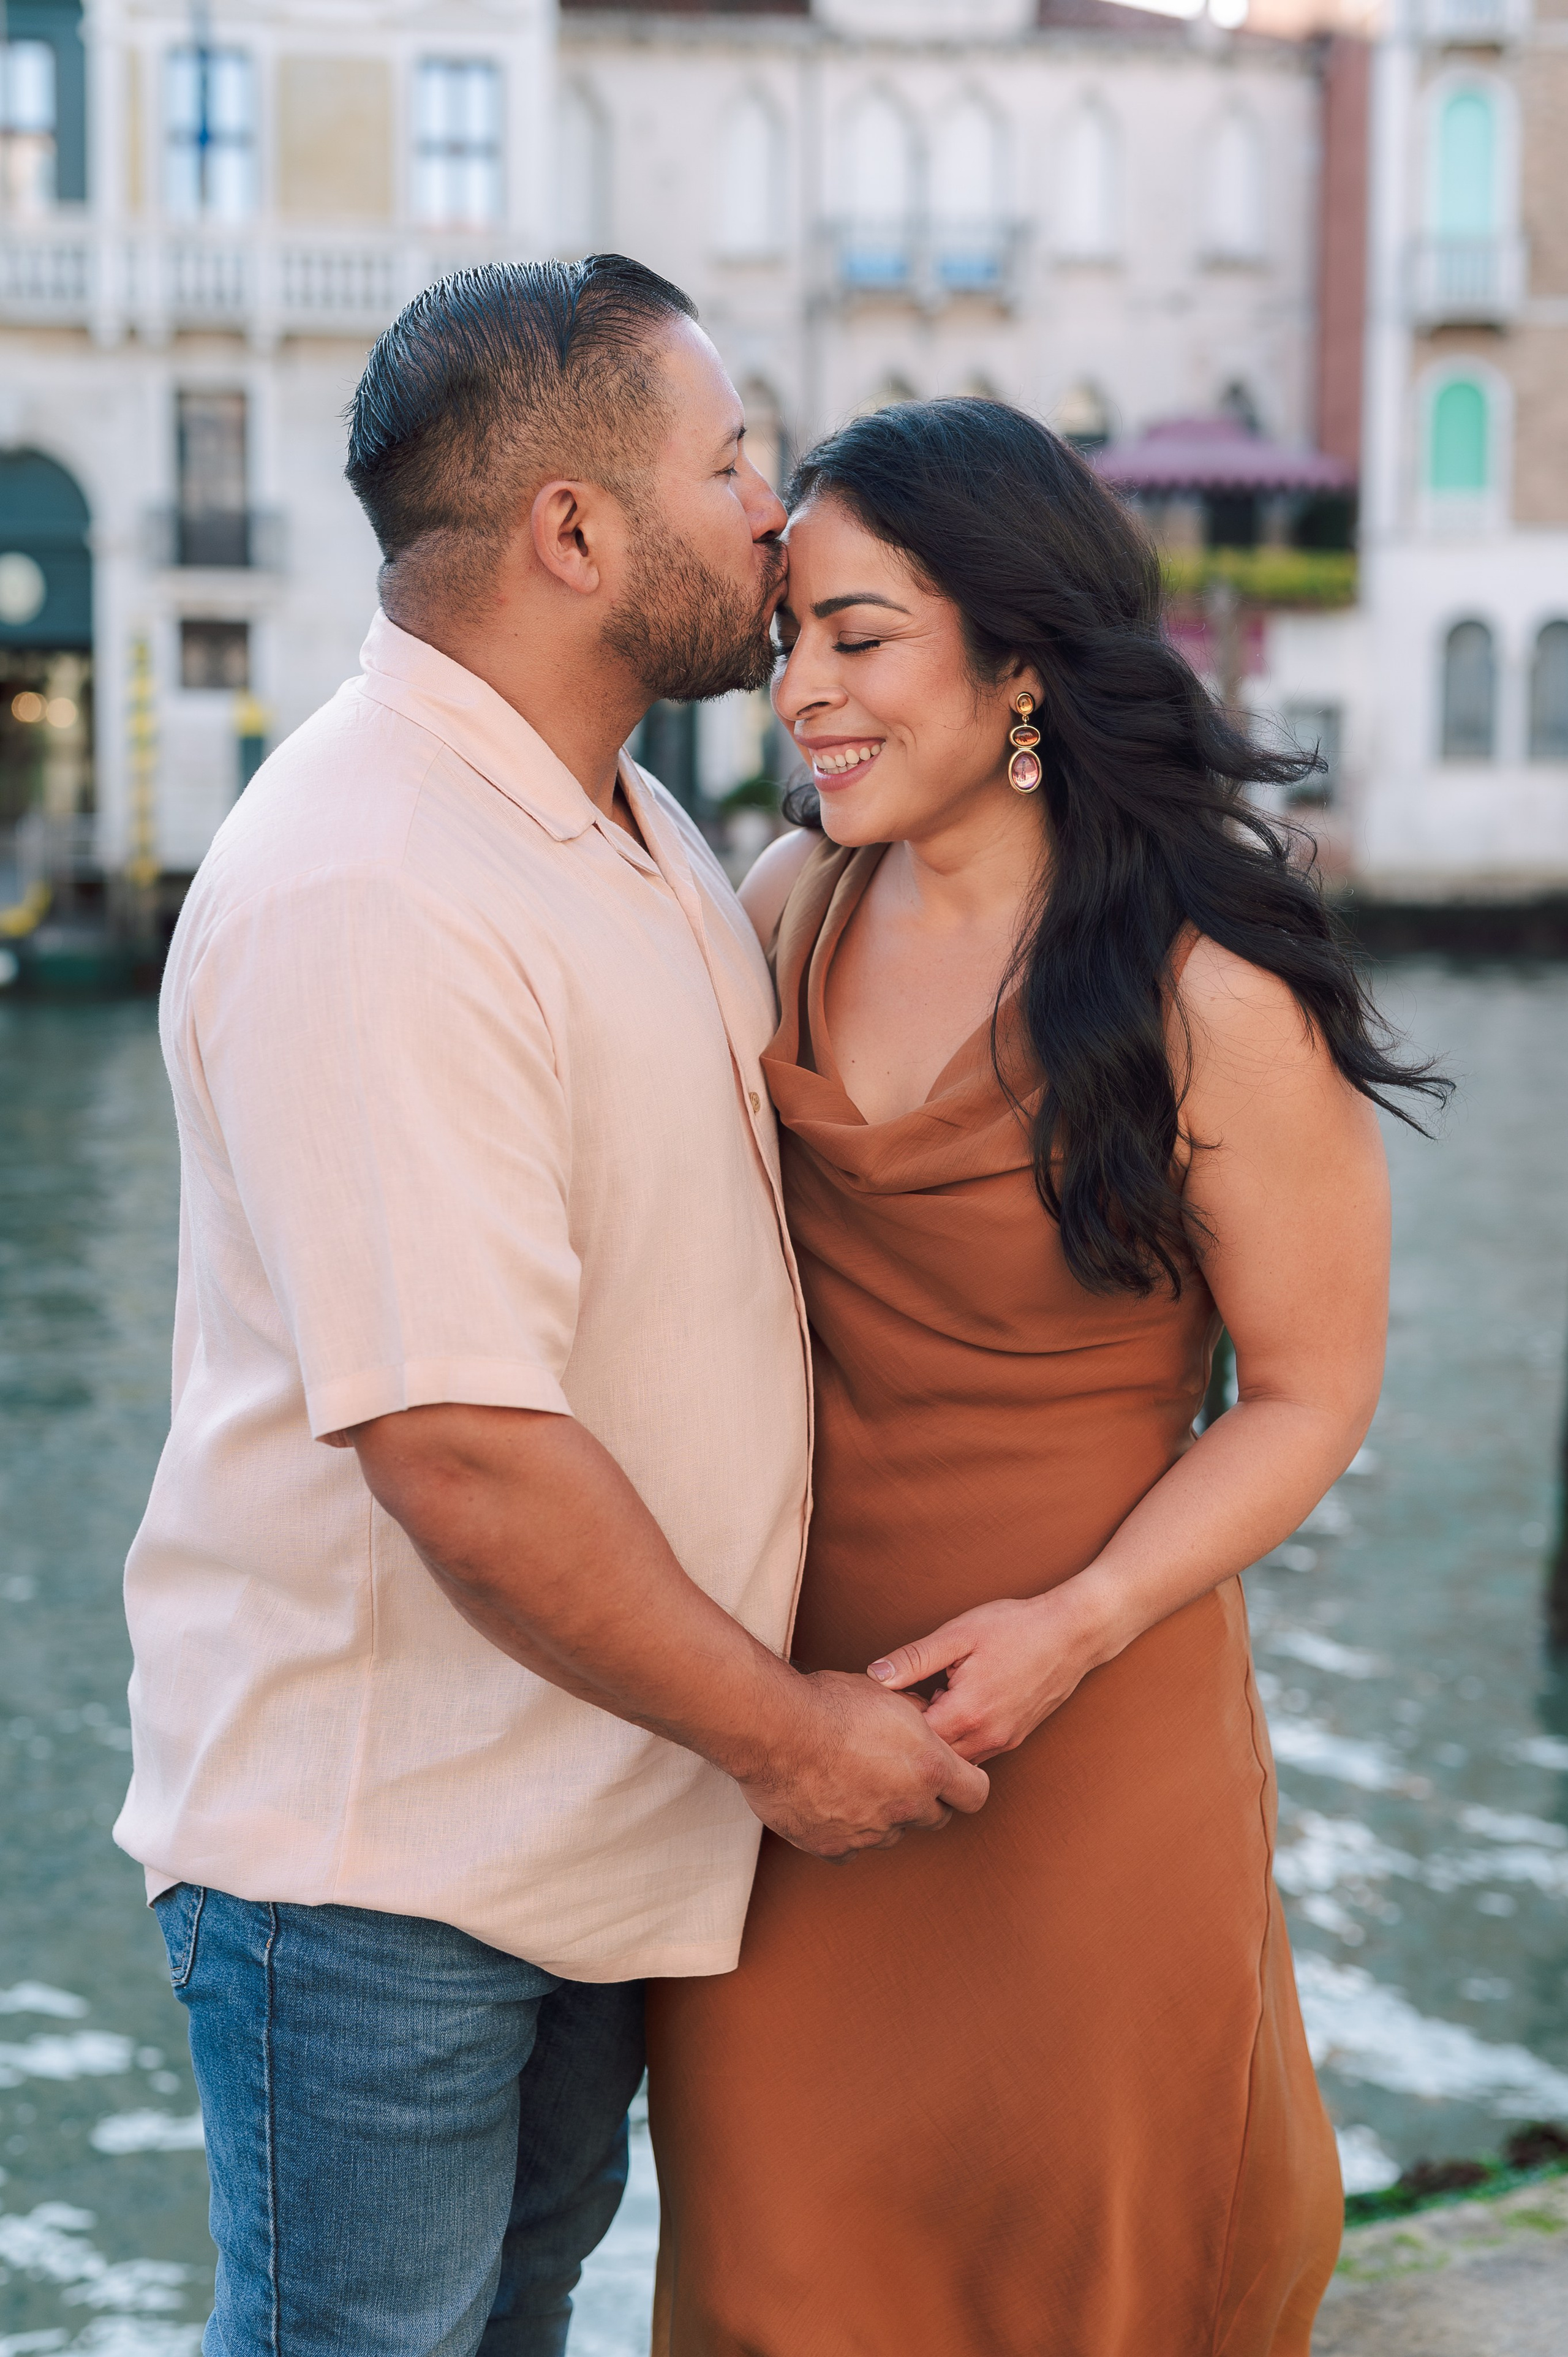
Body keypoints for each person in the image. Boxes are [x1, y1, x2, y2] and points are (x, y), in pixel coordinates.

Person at [113, 262, 986, 2357]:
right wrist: (796, 1746)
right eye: (731, 460)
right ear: (574, 532)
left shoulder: (627, 818)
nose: (774, 514)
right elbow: (464, 1452)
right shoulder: (373, 879)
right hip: (382, 1862)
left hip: (590, 1804)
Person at [646, 398, 1447, 2357]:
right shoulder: (784, 905)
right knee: (776, 2278)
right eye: (788, 648)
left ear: (1019, 663)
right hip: (801, 1744)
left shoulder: (1207, 993)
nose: (803, 697)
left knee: (1080, 2281)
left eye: (861, 637)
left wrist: (1078, 1625)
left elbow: (1310, 1391)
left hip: (1092, 1742)